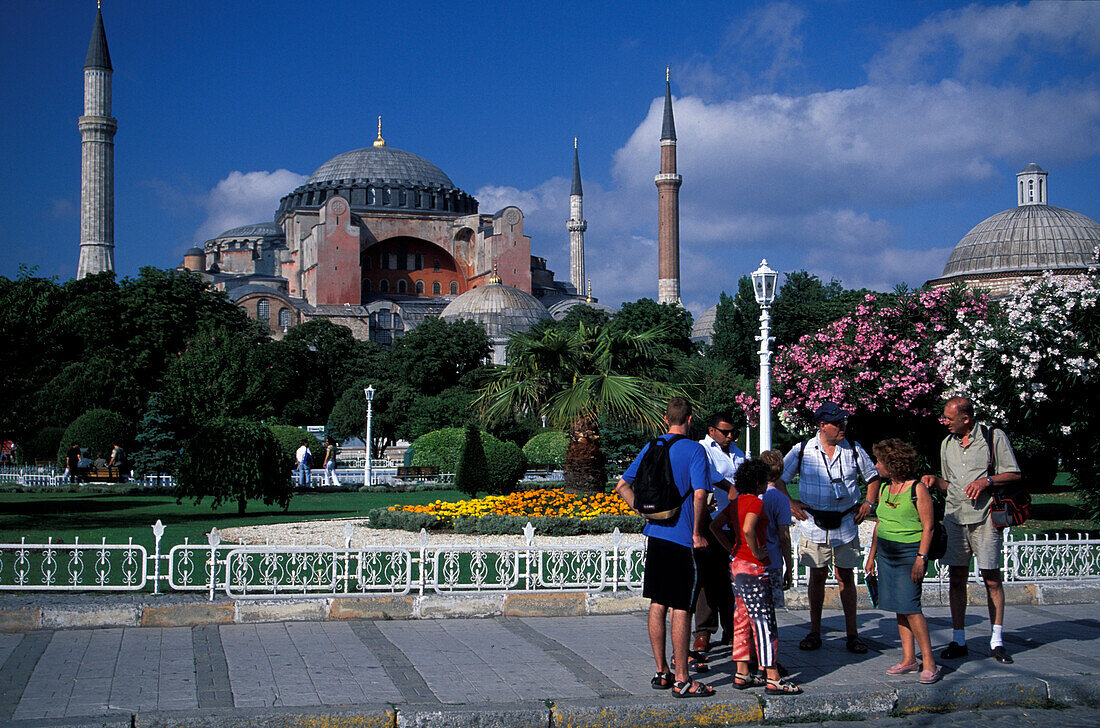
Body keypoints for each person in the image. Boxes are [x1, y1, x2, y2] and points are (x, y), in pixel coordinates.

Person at [615, 397, 716, 698]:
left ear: (665, 420)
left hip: (655, 535)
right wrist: (698, 532)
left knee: (658, 603)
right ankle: (683, 679)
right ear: (689, 420)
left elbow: (622, 485)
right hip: (683, 538)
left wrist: (646, 512)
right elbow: (700, 495)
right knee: (682, 607)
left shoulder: (651, 446)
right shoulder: (695, 449)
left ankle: (662, 671)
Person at [921, 395, 1020, 664]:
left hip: (985, 516)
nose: (945, 423)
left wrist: (986, 481)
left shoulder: (992, 437)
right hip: (955, 517)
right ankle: (959, 639)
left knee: (991, 577)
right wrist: (934, 480)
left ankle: (997, 640)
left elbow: (1013, 473)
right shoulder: (946, 444)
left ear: (966, 418)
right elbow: (950, 484)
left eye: (949, 419)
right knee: (957, 577)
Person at [778, 401, 881, 653]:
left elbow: (873, 477)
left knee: (846, 576)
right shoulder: (803, 449)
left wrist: (869, 502)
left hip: (846, 522)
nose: (842, 426)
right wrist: (790, 503)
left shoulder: (853, 449)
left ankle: (852, 634)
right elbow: (779, 479)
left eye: (843, 421)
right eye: (837, 423)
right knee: (817, 576)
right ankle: (814, 631)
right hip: (813, 523)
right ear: (822, 425)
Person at [711, 459, 802, 695]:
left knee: (741, 618)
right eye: (763, 480)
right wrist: (756, 550)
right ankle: (773, 676)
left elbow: (715, 527)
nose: (766, 484)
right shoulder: (754, 502)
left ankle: (742, 672)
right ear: (757, 482)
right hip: (753, 567)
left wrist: (731, 547)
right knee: (763, 621)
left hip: (737, 565)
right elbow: (749, 528)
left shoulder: (736, 502)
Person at [865, 439, 941, 684]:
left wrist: (921, 558)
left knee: (911, 606)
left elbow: (928, 527)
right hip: (887, 552)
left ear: (893, 463)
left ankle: (929, 660)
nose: (876, 466)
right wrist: (871, 556)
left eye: (880, 461)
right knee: (899, 606)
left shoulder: (917, 489)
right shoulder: (885, 489)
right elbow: (880, 523)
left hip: (909, 553)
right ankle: (909, 659)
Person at [692, 412, 743, 654]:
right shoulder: (701, 449)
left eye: (733, 432)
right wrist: (729, 487)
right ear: (712, 430)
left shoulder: (738, 452)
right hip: (710, 521)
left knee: (731, 579)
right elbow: (708, 476)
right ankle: (703, 631)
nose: (730, 436)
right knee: (708, 578)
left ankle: (732, 630)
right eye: (725, 432)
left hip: (735, 522)